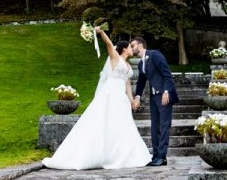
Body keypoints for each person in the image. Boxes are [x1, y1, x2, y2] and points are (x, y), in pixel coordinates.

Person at [42, 27, 151, 170]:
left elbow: (128, 85)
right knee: (105, 123)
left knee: (122, 125)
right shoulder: (115, 58)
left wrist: (132, 101)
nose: (132, 49)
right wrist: (101, 32)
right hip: (110, 94)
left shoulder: (128, 65)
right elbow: (109, 44)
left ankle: (121, 155)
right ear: (124, 49)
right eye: (130, 47)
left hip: (121, 98)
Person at [130, 37, 179, 166]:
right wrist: (137, 97)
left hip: (164, 96)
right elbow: (141, 81)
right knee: (154, 127)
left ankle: (162, 157)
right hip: (153, 98)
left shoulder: (155, 55)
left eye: (133, 45)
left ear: (140, 45)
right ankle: (156, 155)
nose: (131, 48)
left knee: (164, 126)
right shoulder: (141, 63)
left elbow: (167, 74)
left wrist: (166, 92)